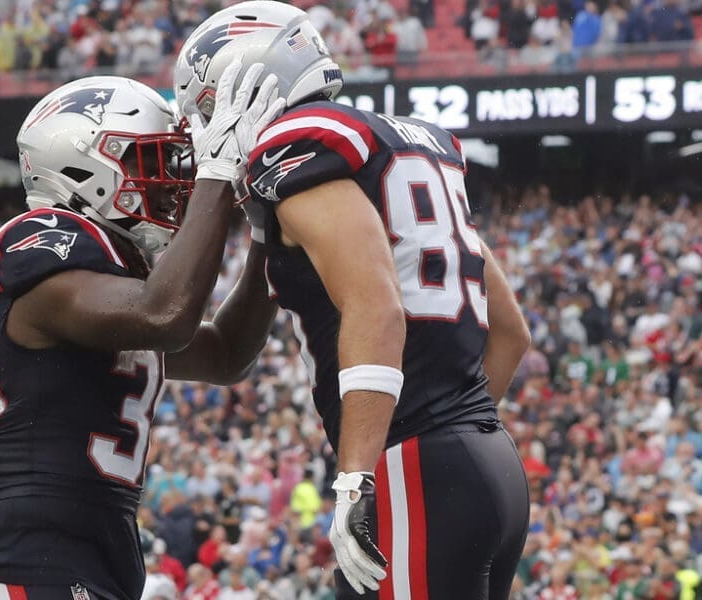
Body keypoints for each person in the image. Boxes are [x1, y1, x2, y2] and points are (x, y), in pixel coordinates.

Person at [174, 3, 533, 598]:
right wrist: (455, 432)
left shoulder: (298, 144)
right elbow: (511, 332)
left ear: (250, 82)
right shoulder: (405, 141)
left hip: (414, 466)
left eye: (209, 106)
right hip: (486, 461)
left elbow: (376, 306)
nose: (207, 127)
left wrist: (360, 477)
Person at [0, 71, 283, 599]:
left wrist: (265, 232)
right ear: (85, 167)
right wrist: (217, 174)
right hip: (23, 557)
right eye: (149, 160)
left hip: (87, 555)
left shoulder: (120, 275)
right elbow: (164, 316)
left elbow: (226, 355)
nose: (172, 179)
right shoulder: (37, 239)